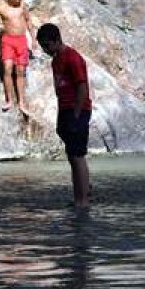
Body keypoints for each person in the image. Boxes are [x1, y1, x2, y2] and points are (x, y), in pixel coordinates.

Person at [36, 23, 91, 208]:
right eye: (43, 46)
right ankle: (80, 195)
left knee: (77, 155)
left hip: (78, 109)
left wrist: (76, 114)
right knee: (71, 155)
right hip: (65, 109)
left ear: (58, 40)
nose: (45, 50)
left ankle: (83, 200)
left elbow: (82, 88)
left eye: (47, 45)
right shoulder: (55, 60)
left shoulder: (72, 58)